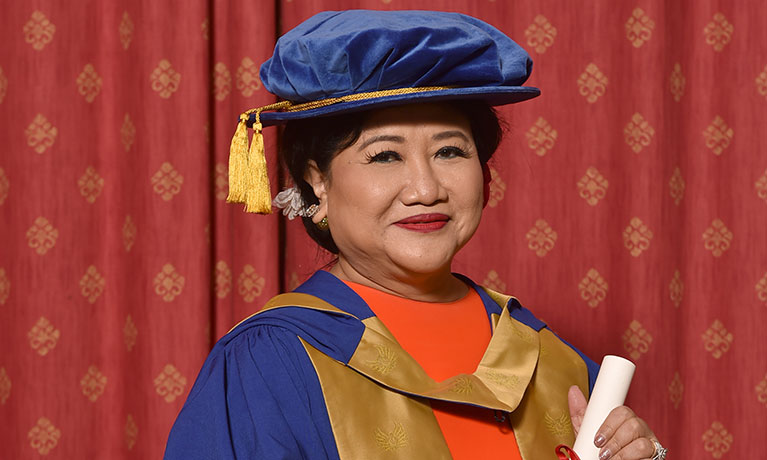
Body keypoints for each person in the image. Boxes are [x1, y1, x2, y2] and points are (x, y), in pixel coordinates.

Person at [164, 10, 665, 460]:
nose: (426, 189)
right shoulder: (272, 363)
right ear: (317, 178)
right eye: (385, 156)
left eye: (450, 152)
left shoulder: (550, 358)